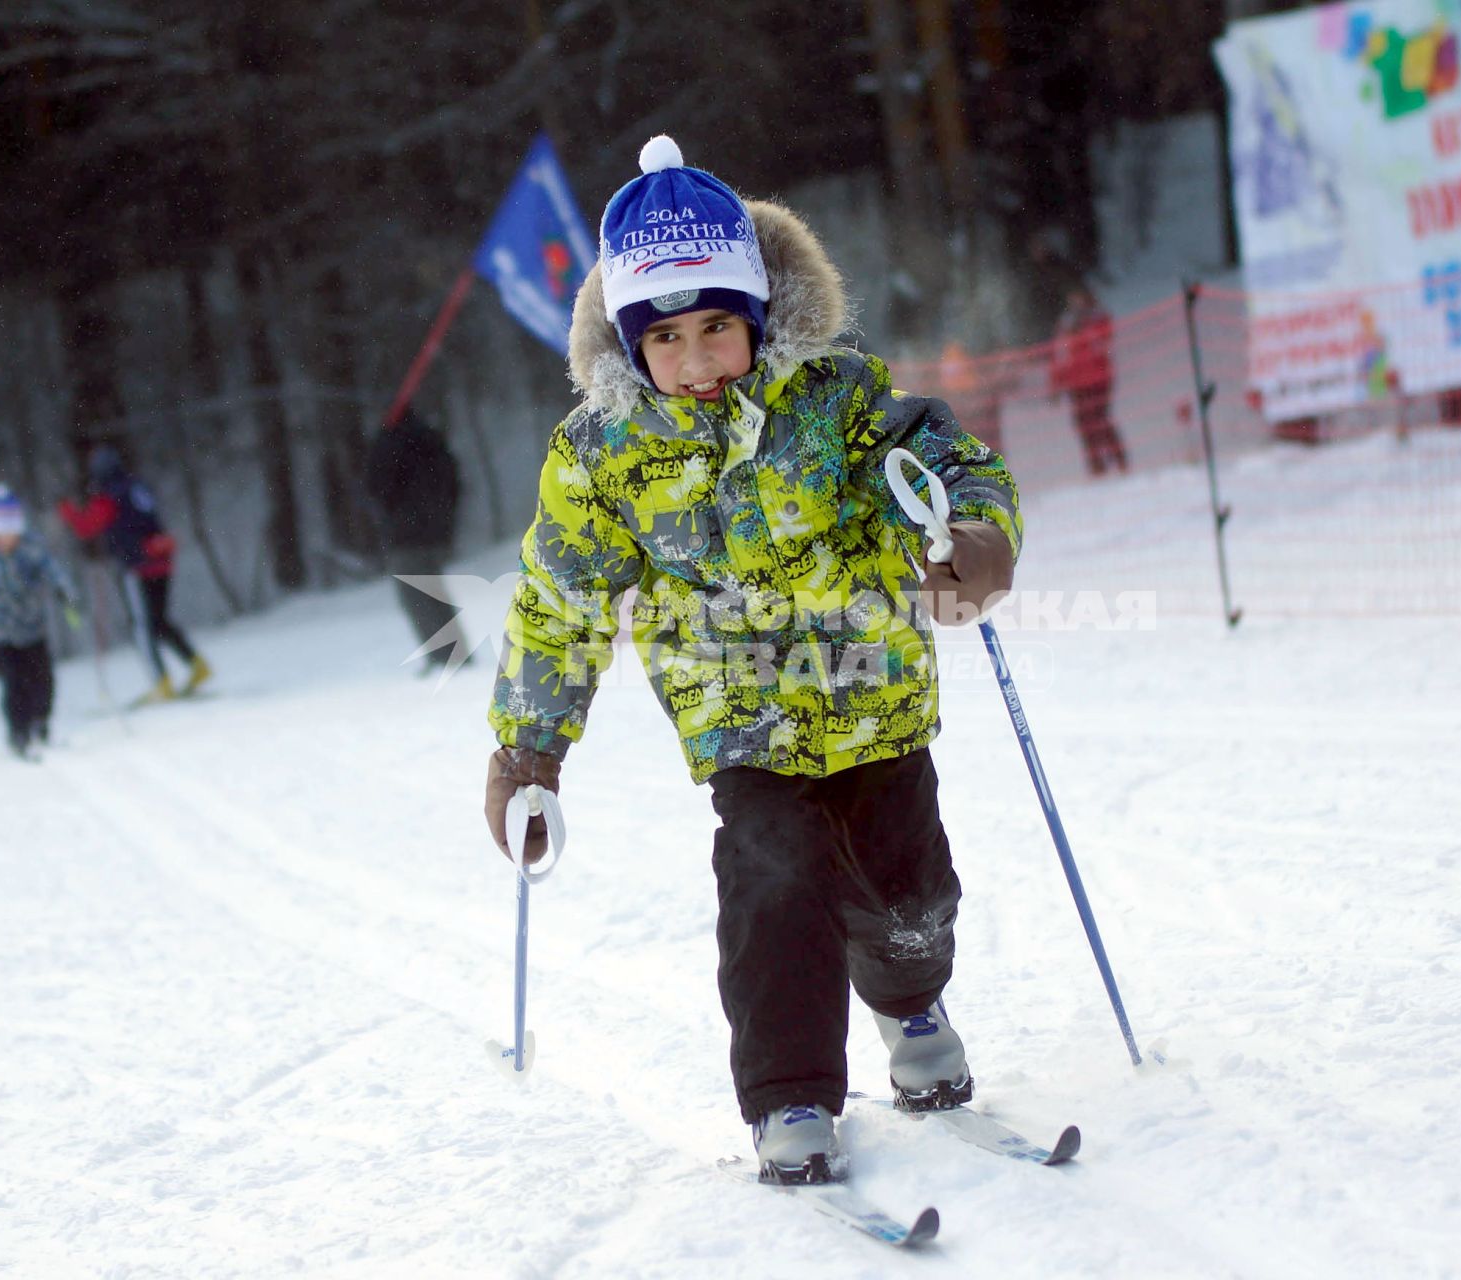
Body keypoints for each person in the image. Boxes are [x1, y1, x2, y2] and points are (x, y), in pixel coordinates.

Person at [482, 136, 1021, 1183]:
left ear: (759, 313)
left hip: (876, 697)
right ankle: (791, 1096)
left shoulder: (840, 399)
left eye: (717, 326)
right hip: (740, 717)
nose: (693, 358)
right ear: (631, 343)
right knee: (772, 884)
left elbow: (949, 458)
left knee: (911, 894)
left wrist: (970, 535)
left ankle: (912, 1008)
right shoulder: (602, 454)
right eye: (667, 336)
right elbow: (561, 601)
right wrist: (530, 750)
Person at [59, 445, 211, 703]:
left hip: (138, 566)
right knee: (159, 620)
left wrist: (67, 511)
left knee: (143, 626)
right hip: (162, 559)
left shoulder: (108, 496)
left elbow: (87, 527)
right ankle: (196, 665)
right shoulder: (137, 486)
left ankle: (160, 682)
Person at [0, 485, 80, 759]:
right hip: (0, 631)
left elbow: (52, 571)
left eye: (12, 530)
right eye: (1, 531)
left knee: (42, 678)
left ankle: (40, 721)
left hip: (33, 625)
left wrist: (66, 593)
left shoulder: (31, 548)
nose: (8, 538)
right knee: (14, 680)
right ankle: (18, 731)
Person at [364, 406, 466, 665]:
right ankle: (454, 653)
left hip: (406, 535)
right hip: (435, 533)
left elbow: (376, 485)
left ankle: (444, 657)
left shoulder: (391, 447)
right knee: (433, 593)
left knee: (415, 596)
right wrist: (445, 523)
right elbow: (454, 484)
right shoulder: (431, 441)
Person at [1051, 286, 1127, 476]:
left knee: (1100, 419)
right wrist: (1056, 383)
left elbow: (1102, 344)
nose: (1075, 302)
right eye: (1072, 299)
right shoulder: (1065, 323)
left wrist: (1084, 328)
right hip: (1075, 383)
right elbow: (1059, 354)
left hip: (1097, 380)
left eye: (1078, 297)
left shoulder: (1098, 318)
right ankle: (1096, 466)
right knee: (1083, 424)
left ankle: (1119, 460)